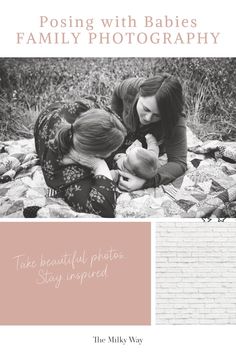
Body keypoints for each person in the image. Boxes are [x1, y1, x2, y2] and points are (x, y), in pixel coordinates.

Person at [34, 99, 127, 218]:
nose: (115, 153)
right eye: (112, 151)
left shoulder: (85, 115)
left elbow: (113, 123)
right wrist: (99, 165)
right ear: (94, 154)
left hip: (62, 111)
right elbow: (103, 209)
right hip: (49, 117)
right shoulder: (61, 169)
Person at [111, 73, 187, 192]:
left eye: (157, 115)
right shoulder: (130, 87)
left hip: (146, 150)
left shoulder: (175, 118)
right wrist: (119, 119)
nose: (147, 118)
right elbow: (117, 92)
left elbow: (178, 163)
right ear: (139, 93)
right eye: (146, 109)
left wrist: (146, 182)